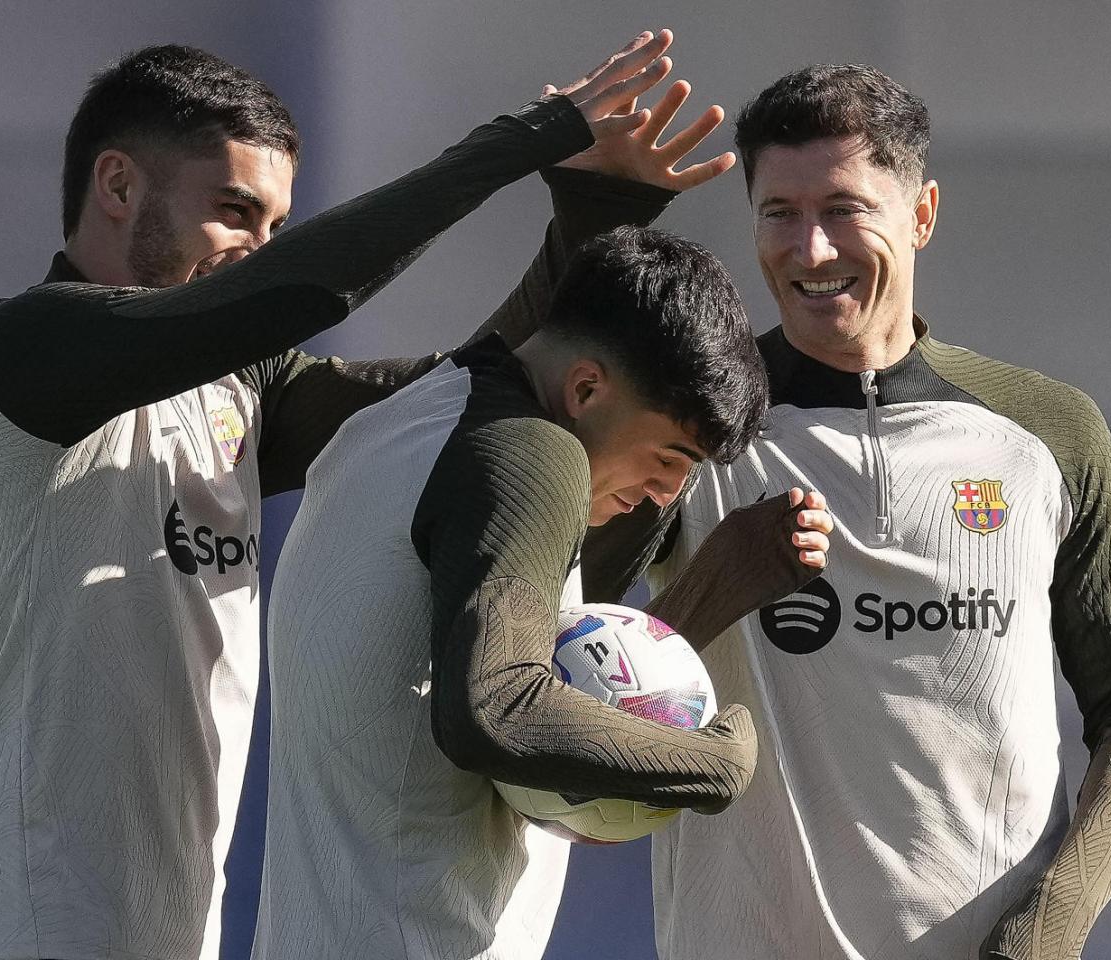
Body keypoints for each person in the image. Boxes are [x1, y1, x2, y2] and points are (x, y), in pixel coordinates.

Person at [0, 32, 737, 960]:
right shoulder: (21, 352)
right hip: (15, 927)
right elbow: (292, 294)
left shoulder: (236, 392)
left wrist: (591, 217)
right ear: (117, 184)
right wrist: (519, 141)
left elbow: (465, 396)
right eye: (234, 211)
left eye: (274, 228)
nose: (256, 251)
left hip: (170, 934)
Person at [586, 64, 1111, 960]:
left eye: (844, 209)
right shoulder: (688, 424)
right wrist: (717, 580)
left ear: (922, 215)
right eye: (779, 213)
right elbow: (559, 678)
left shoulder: (1047, 431)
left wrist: (1050, 924)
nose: (810, 250)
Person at [253, 225, 830, 960]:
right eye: (670, 456)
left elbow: (514, 706)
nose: (666, 493)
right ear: (586, 388)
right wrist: (714, 762)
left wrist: (716, 585)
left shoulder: (407, 416)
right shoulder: (534, 452)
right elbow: (499, 710)